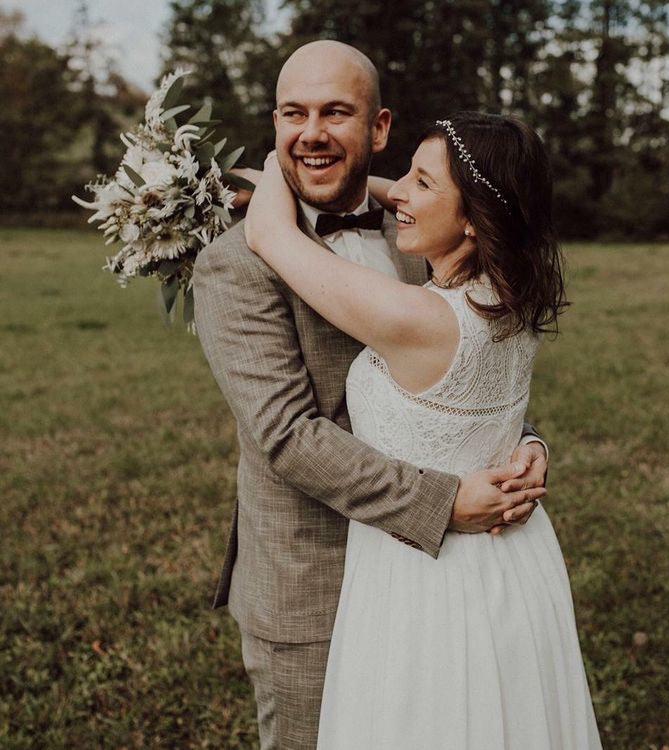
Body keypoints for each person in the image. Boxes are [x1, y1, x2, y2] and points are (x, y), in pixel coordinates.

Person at [192, 41, 549, 750]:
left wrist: (525, 440)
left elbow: (461, 367)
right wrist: (443, 504)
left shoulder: (421, 226)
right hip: (313, 583)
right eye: (294, 114)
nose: (312, 132)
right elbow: (290, 436)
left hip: (432, 584)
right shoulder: (234, 264)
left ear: (379, 130)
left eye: (336, 112)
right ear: (275, 126)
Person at [244, 110, 601, 746]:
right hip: (514, 564)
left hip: (428, 578)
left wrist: (282, 159)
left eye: (422, 182)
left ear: (473, 217)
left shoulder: (418, 318)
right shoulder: (504, 296)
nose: (398, 191)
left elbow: (270, 233)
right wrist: (533, 443)